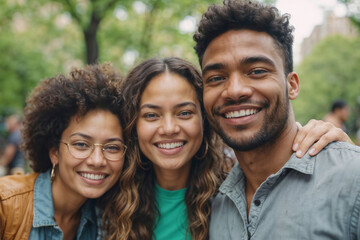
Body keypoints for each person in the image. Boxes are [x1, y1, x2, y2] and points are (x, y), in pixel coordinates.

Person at [100, 57, 353, 240]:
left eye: (185, 113)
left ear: (206, 119)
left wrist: (344, 152)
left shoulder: (233, 193)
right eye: (151, 115)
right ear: (134, 125)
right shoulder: (106, 197)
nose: (169, 128)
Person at [193, 0, 360, 239]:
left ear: (291, 85)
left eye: (257, 71)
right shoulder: (212, 203)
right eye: (216, 78)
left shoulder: (352, 179)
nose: (234, 90)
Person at [0, 63, 127, 240]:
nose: (97, 161)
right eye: (81, 145)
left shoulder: (109, 220)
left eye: (112, 147)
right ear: (54, 153)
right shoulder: (5, 205)